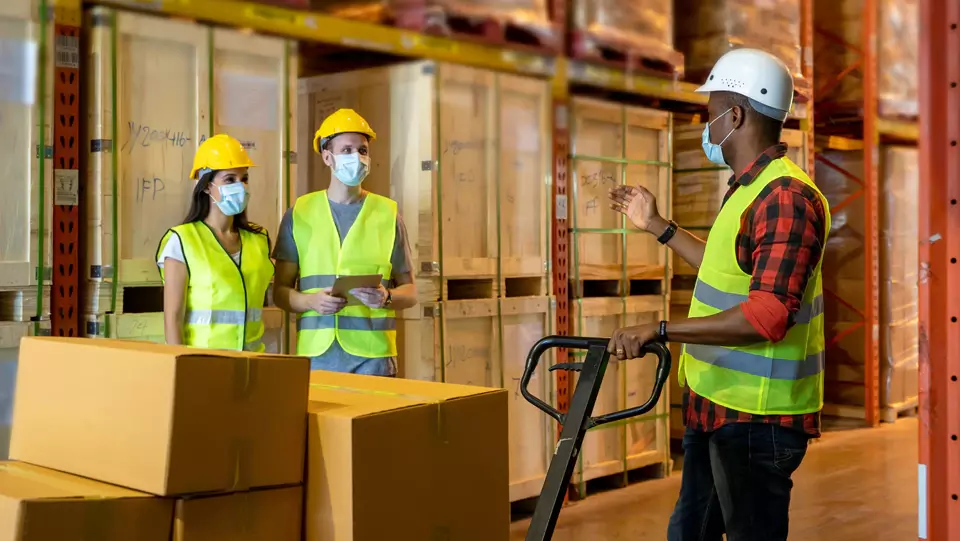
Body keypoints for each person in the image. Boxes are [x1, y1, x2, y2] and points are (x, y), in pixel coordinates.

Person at [607, 48, 830, 541]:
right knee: (688, 533)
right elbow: (725, 267)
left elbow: (769, 314)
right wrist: (658, 226)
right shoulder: (749, 189)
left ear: (736, 115)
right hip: (716, 408)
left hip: (757, 420)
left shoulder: (786, 198)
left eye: (710, 113)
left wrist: (660, 330)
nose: (705, 126)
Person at [272, 108, 418, 376]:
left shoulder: (387, 214)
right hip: (317, 356)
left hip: (374, 359)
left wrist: (386, 297)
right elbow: (280, 291)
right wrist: (311, 302)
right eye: (347, 150)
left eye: (362, 150)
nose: (357, 158)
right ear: (328, 157)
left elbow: (410, 292)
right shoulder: (300, 213)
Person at [157, 134, 274, 352]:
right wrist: (182, 368)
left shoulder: (259, 240)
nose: (240, 186)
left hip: (252, 363)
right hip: (205, 365)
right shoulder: (182, 241)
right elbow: (173, 318)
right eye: (230, 179)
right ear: (207, 186)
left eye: (244, 178)